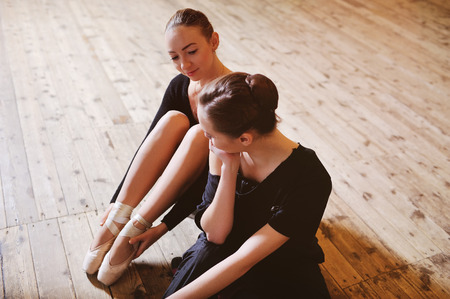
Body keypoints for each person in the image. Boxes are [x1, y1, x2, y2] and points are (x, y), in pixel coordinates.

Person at [82, 8, 231, 286]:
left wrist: (161, 228)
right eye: (175, 57)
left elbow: (215, 182)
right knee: (173, 120)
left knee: (201, 133)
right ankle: (118, 218)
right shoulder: (180, 85)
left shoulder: (231, 95)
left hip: (220, 196)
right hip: (179, 179)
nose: (184, 64)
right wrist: (116, 200)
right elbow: (149, 144)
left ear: (214, 41)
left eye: (191, 51)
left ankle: (135, 229)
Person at [162, 72, 332, 298]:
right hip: (219, 249)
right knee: (206, 256)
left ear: (244, 139)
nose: (205, 137)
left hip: (279, 263)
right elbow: (216, 234)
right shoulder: (225, 149)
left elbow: (244, 260)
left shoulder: (310, 179)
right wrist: (229, 169)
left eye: (210, 133)